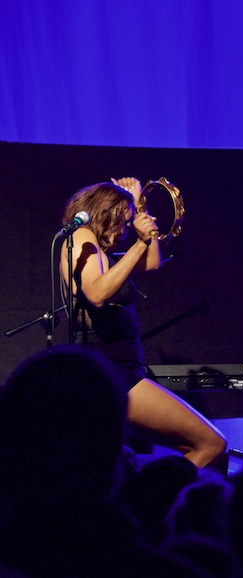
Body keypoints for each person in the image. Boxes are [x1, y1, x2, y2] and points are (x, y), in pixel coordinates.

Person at [59, 177, 227, 468]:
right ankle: (159, 504)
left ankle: (154, 501)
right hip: (112, 371)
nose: (124, 231)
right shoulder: (80, 236)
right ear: (106, 212)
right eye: (122, 222)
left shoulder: (103, 254)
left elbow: (151, 263)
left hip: (122, 369)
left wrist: (138, 207)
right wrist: (139, 242)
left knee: (192, 447)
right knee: (212, 444)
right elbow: (97, 294)